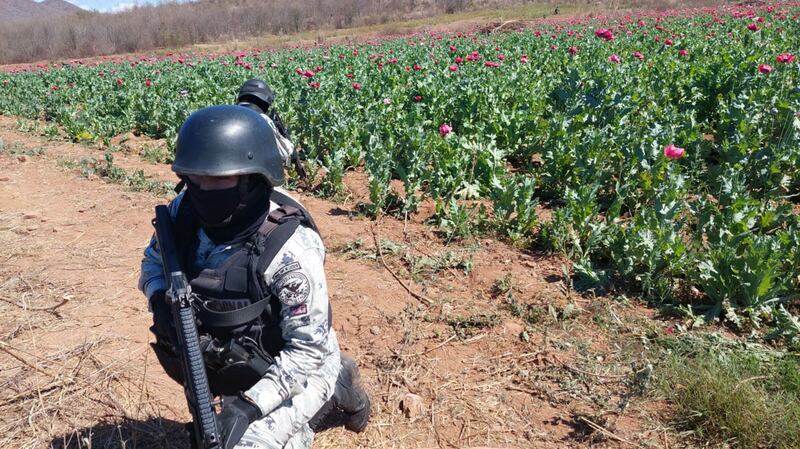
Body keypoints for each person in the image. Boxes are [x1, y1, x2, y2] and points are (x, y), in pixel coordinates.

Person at [138, 105, 370, 449]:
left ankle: (338, 382)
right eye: (194, 178)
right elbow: (154, 260)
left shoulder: (289, 250)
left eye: (218, 180)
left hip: (302, 365)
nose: (201, 189)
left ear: (251, 179)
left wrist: (249, 407)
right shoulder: (183, 212)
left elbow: (307, 350)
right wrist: (159, 299)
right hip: (230, 357)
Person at [236, 79, 306, 179]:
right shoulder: (263, 119)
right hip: (249, 177)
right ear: (265, 102)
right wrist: (293, 154)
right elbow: (285, 153)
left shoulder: (228, 114)